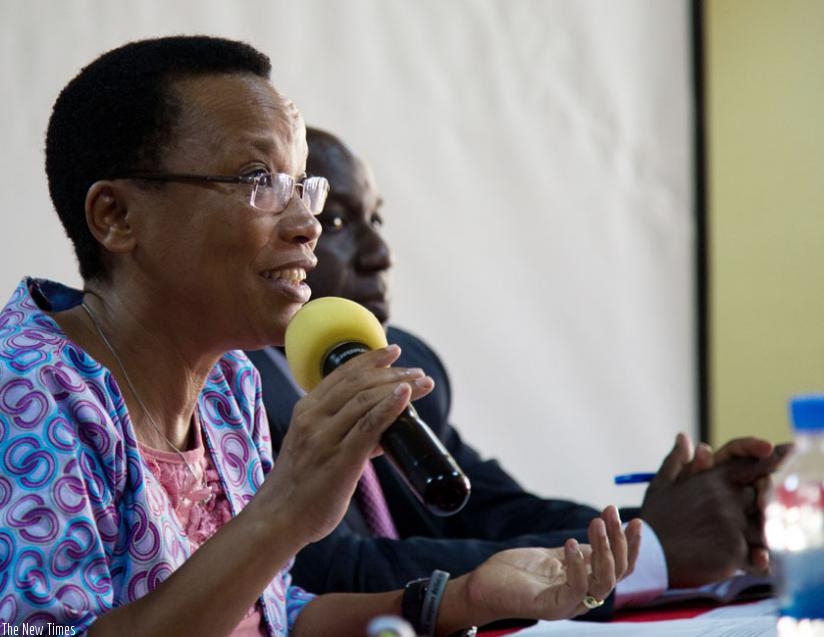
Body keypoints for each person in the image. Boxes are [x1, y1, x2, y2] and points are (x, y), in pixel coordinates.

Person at [0, 36, 642, 636]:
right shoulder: (22, 391)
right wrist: (281, 515)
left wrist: (463, 598)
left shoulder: (229, 382)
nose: (307, 223)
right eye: (259, 181)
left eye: (303, 184)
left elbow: (268, 613)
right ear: (116, 217)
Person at [246, 127, 787, 616]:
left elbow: (489, 510)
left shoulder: (400, 360)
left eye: (376, 218)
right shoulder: (238, 387)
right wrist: (656, 551)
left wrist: (655, 528)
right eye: (337, 220)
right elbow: (330, 572)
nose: (381, 253)